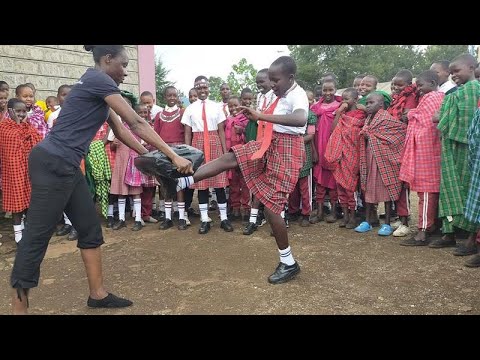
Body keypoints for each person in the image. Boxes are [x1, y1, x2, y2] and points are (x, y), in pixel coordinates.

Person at [10, 45, 193, 315]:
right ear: (107, 60)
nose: (125, 71)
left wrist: (151, 157)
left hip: (67, 166)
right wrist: (172, 157)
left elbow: (119, 129)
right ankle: (18, 310)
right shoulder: (98, 81)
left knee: (89, 229)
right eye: (123, 64)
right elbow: (136, 122)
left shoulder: (96, 86)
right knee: (36, 236)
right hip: (53, 163)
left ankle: (97, 294)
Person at [176, 56, 308, 284]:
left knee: (272, 207)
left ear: (291, 78)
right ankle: (182, 181)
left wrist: (261, 116)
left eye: (276, 81)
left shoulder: (298, 95)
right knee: (232, 156)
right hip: (269, 142)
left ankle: (288, 262)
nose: (272, 85)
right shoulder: (274, 94)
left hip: (287, 149)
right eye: (270, 80)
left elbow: (300, 118)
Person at [430, 54, 480, 253]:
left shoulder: (473, 90)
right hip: (452, 148)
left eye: (457, 71)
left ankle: (470, 238)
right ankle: (449, 232)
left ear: (471, 67)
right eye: (451, 73)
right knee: (450, 189)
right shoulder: (456, 92)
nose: (453, 76)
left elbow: (445, 118)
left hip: (470, 149)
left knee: (470, 192)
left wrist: (441, 115)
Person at [181, 75, 232, 234]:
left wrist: (225, 152)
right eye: (199, 87)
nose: (202, 90)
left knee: (219, 184)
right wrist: (188, 154)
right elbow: (187, 133)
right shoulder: (190, 108)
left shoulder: (217, 107)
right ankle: (204, 220)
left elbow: (221, 131)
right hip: (198, 145)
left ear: (209, 89)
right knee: (202, 184)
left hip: (215, 142)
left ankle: (224, 219)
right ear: (195, 89)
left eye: (205, 87)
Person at [398, 70, 444, 246]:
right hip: (430, 152)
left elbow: (428, 122)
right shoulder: (431, 97)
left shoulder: (433, 97)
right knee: (428, 193)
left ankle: (423, 232)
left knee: (426, 193)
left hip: (427, 151)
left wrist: (411, 114)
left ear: (432, 83)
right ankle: (429, 227)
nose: (418, 89)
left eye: (421, 85)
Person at [0, 99, 42, 243]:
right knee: (17, 204)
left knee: (30, 202)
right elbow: (15, 142)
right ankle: (18, 234)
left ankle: (28, 231)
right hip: (14, 172)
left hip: (30, 170)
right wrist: (18, 125)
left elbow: (38, 141)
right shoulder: (4, 128)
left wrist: (23, 126)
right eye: (18, 111)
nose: (22, 114)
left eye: (24, 111)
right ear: (10, 111)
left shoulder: (29, 126)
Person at [325, 88, 366, 229]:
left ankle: (353, 217)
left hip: (353, 154)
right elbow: (333, 130)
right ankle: (345, 216)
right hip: (340, 155)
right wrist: (339, 112)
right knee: (340, 187)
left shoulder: (361, 115)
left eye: (347, 99)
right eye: (342, 99)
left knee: (351, 188)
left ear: (355, 100)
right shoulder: (342, 115)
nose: (344, 102)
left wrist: (364, 108)